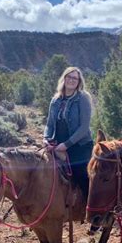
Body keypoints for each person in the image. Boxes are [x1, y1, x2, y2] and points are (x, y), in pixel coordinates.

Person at [43, 67, 93, 200]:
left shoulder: (83, 98)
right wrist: (46, 139)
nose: (71, 80)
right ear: (64, 78)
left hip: (79, 145)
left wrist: (67, 144)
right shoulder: (55, 100)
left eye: (75, 78)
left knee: (81, 174)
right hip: (58, 144)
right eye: (69, 77)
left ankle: (91, 209)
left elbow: (84, 127)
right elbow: (49, 124)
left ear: (79, 82)